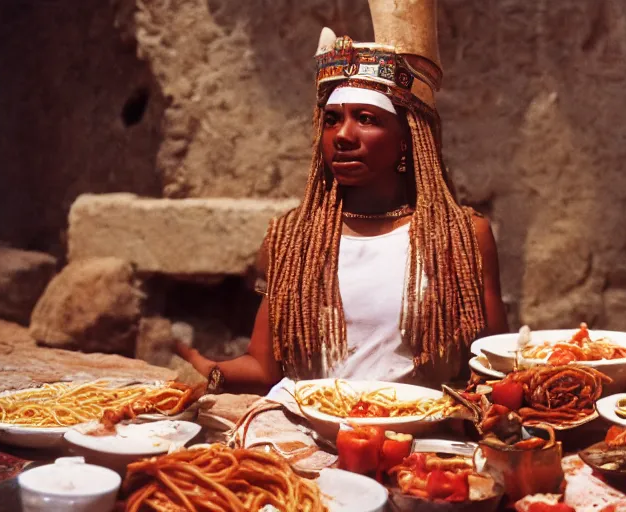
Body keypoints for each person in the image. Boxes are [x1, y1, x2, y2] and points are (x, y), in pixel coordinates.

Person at [178, 0, 508, 393]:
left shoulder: (463, 238)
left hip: (416, 437)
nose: (343, 136)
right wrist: (208, 369)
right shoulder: (293, 239)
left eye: (366, 119)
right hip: (308, 432)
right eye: (332, 120)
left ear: (407, 140)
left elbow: (492, 367)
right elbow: (264, 369)